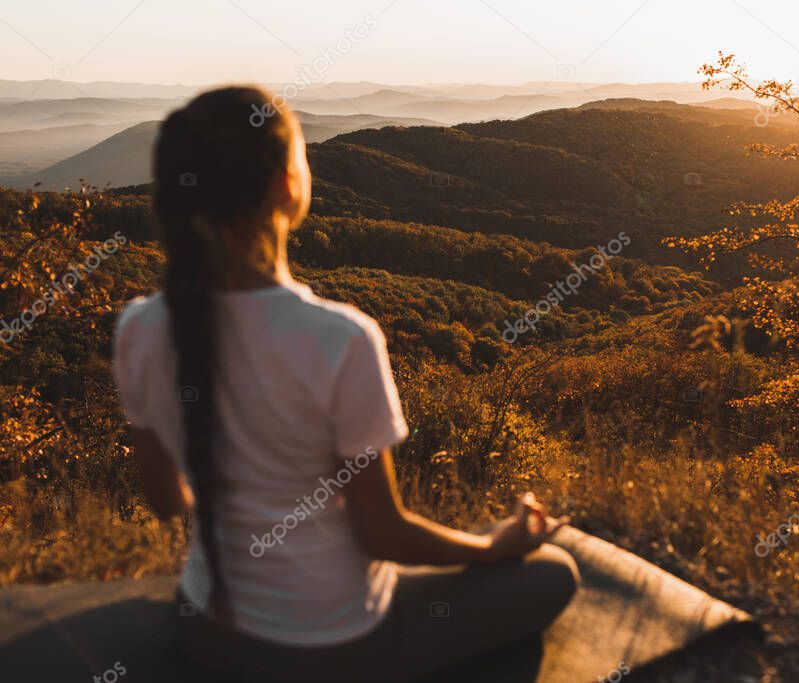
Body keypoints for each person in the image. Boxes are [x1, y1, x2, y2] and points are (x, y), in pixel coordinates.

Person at [111, 86, 578, 682]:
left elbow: (165, 500)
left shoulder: (139, 326)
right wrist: (494, 549)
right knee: (554, 573)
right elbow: (383, 534)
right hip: (336, 648)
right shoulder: (340, 339)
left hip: (205, 627)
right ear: (288, 184)